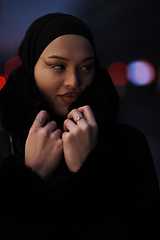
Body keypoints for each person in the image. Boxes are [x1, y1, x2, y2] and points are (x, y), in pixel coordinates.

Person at [0, 13, 159, 240]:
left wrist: (89, 170)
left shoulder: (129, 144)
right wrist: (30, 178)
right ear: (30, 69)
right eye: (58, 66)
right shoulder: (3, 148)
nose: (74, 81)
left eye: (86, 67)